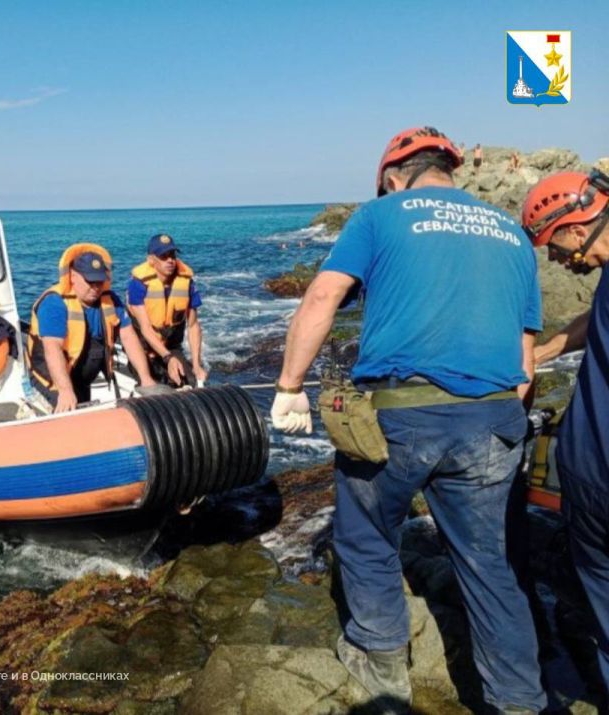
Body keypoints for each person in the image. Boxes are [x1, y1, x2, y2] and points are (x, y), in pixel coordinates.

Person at [271, 127, 546, 712]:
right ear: (451, 170)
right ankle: (518, 700)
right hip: (495, 417)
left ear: (394, 179)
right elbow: (525, 362)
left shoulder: (382, 215)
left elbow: (322, 299)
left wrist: (290, 386)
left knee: (367, 533)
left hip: (401, 416)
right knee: (489, 565)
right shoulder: (512, 234)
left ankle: (382, 660)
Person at [523, 169, 609, 697]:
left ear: (577, 228)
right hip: (588, 491)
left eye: (552, 245)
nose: (555, 259)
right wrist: (546, 350)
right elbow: (594, 317)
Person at [27, 243, 164, 413]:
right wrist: (65, 390)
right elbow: (52, 347)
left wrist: (145, 378)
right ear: (73, 276)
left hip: (82, 377)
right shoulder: (54, 303)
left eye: (99, 281)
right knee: (69, 414)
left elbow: (129, 338)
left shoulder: (111, 301)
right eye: (90, 281)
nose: (95, 287)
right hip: (53, 378)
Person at [126, 233, 208, 387]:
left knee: (189, 383)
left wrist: (197, 365)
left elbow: (193, 326)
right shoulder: (138, 285)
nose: (170, 260)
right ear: (151, 260)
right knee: (154, 388)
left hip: (171, 345)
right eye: (163, 256)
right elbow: (146, 329)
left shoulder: (187, 283)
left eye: (172, 255)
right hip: (143, 347)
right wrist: (168, 358)